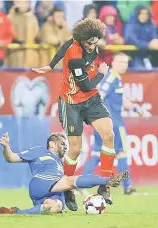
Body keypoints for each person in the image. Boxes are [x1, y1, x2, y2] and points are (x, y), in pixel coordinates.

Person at [33, 18, 117, 211]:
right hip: (71, 102)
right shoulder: (75, 57)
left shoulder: (86, 42)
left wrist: (51, 64)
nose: (92, 45)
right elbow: (86, 84)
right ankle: (68, 187)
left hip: (91, 100)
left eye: (95, 42)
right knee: (75, 149)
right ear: (81, 40)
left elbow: (62, 46)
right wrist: (102, 73)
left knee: (109, 135)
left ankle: (104, 184)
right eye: (88, 42)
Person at [0, 132, 129, 215]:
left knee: (56, 207)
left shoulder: (60, 163)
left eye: (66, 145)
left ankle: (16, 212)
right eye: (63, 144)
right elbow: (11, 158)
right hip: (41, 182)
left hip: (49, 194)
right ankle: (107, 180)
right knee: (69, 181)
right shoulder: (39, 151)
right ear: (52, 144)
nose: (66, 147)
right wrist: (6, 147)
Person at [81, 53, 144, 195]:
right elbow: (100, 94)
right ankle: (127, 187)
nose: (124, 64)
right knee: (122, 153)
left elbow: (119, 98)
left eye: (126, 62)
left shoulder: (115, 79)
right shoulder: (112, 77)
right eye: (120, 61)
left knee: (97, 153)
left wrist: (134, 107)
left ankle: (80, 184)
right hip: (114, 123)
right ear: (113, 63)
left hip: (101, 122)